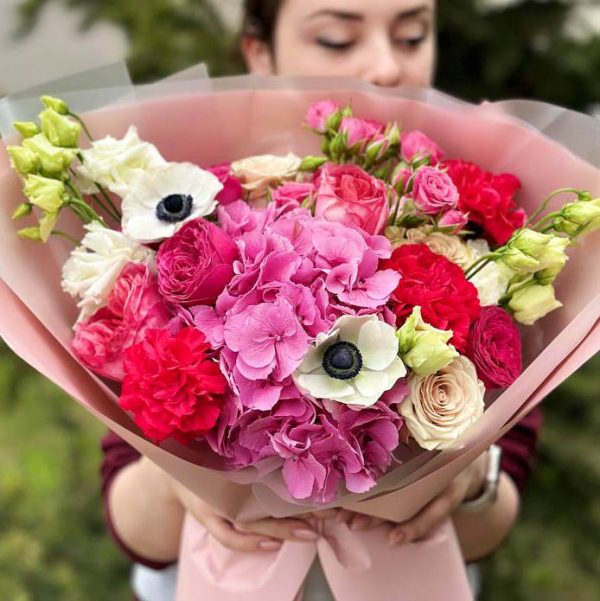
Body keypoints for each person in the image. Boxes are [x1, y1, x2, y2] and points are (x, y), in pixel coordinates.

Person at [101, 1, 543, 599]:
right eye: (337, 39)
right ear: (260, 53)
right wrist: (178, 482)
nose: (387, 67)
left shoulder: (474, 236)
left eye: (413, 35)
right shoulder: (191, 228)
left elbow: (499, 505)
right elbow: (134, 525)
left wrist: (467, 485)